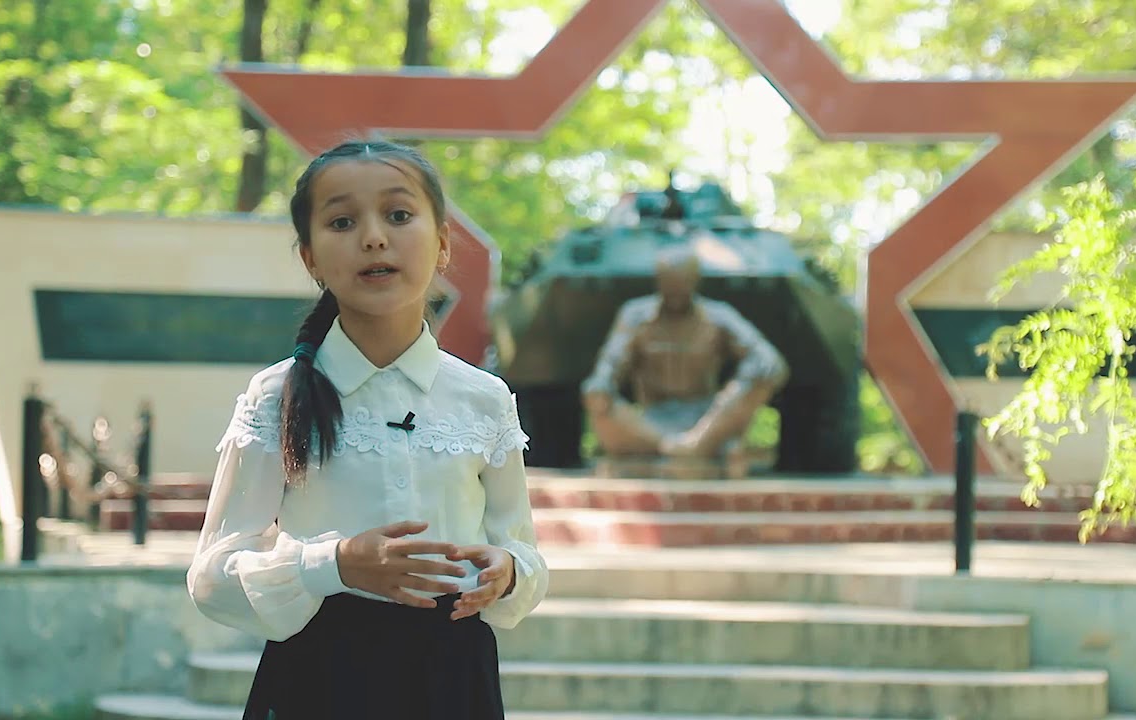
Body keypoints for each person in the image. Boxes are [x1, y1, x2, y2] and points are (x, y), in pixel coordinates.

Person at [186, 139, 547, 719]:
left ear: (443, 243)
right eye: (342, 221)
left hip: (454, 680)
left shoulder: (485, 399)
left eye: (399, 215)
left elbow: (523, 551)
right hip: (320, 679)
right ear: (310, 257)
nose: (374, 237)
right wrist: (333, 563)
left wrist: (505, 574)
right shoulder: (275, 396)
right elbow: (211, 577)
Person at [581, 245, 788, 468]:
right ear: (659, 281)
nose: (676, 292)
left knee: (765, 372)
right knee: (596, 396)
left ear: (695, 280)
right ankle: (686, 449)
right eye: (669, 284)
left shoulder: (720, 315)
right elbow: (611, 362)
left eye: (682, 284)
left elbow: (768, 359)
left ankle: (693, 445)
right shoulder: (635, 315)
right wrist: (601, 384)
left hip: (707, 421)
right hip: (651, 423)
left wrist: (759, 369)